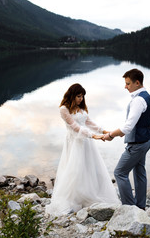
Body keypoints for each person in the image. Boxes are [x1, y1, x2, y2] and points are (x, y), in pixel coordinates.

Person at [45, 83, 120, 216]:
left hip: (86, 142)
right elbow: (75, 127)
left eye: (82, 96)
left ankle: (90, 192)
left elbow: (89, 122)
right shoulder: (64, 109)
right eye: (79, 96)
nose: (81, 99)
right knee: (75, 169)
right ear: (72, 95)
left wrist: (104, 131)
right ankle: (76, 197)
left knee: (90, 167)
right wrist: (94, 136)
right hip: (75, 143)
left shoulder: (80, 108)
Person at [102, 68, 150, 210]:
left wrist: (111, 135)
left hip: (138, 144)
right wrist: (121, 131)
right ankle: (140, 206)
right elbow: (133, 124)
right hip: (146, 140)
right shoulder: (146, 96)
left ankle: (129, 208)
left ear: (137, 83)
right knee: (139, 172)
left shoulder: (138, 100)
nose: (125, 87)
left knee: (120, 172)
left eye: (128, 83)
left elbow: (127, 127)